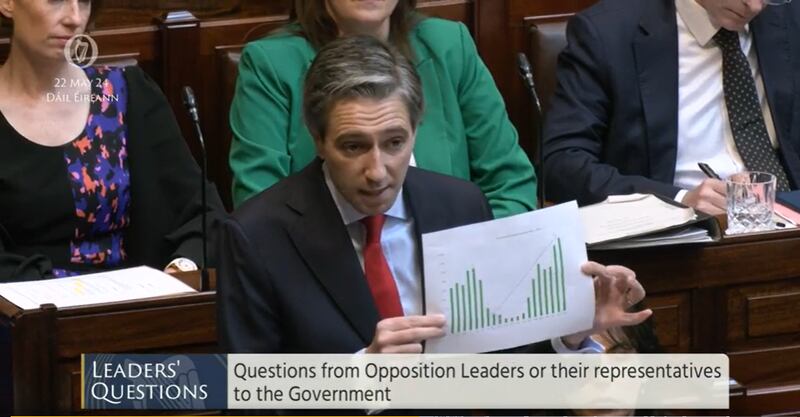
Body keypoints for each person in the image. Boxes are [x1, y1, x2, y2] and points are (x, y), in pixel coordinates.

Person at [218, 35, 652, 356]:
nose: (377, 171)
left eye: (394, 143)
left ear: (415, 132)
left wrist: (571, 330)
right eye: (353, 147)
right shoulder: (258, 236)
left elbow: (503, 363)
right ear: (318, 139)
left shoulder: (460, 205)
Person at [228, 0, 538, 218]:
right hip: (332, 269)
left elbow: (511, 183)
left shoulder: (448, 45)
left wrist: (461, 259)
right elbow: (259, 206)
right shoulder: (271, 63)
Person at [0, 0, 225, 281]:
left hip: (138, 307)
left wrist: (182, 268)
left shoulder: (125, 93)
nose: (74, 18)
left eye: (83, 2)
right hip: (27, 313)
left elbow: (202, 213)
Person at [542, 0, 800, 214]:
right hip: (685, 237)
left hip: (787, 218)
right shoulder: (607, 33)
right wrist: (677, 199)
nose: (754, 6)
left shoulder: (788, 17)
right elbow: (562, 164)